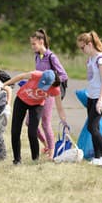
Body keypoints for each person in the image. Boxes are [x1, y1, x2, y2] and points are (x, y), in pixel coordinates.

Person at [1, 70, 68, 164]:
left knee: (32, 133)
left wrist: (64, 120)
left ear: (52, 82)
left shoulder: (55, 89)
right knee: (15, 131)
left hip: (37, 105)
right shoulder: (36, 75)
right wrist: (4, 84)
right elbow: (20, 76)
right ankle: (17, 160)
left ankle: (35, 160)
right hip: (21, 100)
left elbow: (59, 108)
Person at [29, 28, 69, 158]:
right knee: (29, 122)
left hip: (50, 94)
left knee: (45, 122)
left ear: (41, 42)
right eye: (31, 44)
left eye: (34, 44)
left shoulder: (51, 57)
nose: (32, 46)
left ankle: (52, 153)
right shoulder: (37, 56)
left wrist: (51, 82)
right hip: (38, 92)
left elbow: (63, 75)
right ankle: (46, 144)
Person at [76, 31, 102, 166]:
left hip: (101, 97)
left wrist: (100, 100)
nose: (82, 50)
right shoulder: (90, 59)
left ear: (89, 44)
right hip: (91, 97)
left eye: (82, 47)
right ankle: (97, 157)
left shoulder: (100, 59)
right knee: (94, 126)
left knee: (92, 127)